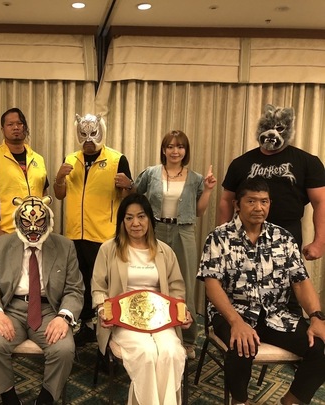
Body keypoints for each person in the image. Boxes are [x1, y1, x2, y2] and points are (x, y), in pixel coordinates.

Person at [198, 178, 325, 405]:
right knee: (241, 346)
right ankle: (240, 401)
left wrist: (316, 317)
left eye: (264, 201)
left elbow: (301, 282)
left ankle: (292, 400)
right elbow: (212, 285)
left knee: (320, 347)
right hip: (232, 312)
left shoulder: (283, 238)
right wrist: (236, 322)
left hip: (275, 315)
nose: (259, 207)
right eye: (251, 201)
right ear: (237, 205)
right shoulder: (218, 237)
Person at [0, 195, 84, 405]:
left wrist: (64, 317)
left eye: (40, 221)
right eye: (27, 222)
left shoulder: (65, 246)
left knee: (64, 350)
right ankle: (9, 399)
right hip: (10, 308)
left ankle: (45, 399)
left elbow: (75, 289)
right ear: (18, 222)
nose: (34, 228)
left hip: (49, 310)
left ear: (49, 221)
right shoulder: (0, 245)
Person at [92, 193, 192, 405]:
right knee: (146, 354)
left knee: (171, 352)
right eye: (129, 218)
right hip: (123, 319)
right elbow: (99, 288)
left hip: (160, 318)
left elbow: (176, 288)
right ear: (122, 221)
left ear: (149, 219)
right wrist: (103, 310)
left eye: (141, 216)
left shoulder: (165, 251)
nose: (135, 223)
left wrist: (182, 312)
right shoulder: (108, 249)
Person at [134, 130, 216, 358]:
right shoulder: (151, 173)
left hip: (184, 232)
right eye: (170, 146)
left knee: (185, 283)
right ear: (163, 150)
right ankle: (152, 329)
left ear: (185, 151)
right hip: (155, 230)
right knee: (152, 279)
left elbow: (199, 211)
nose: (175, 151)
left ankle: (188, 339)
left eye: (180, 147)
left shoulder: (196, 178)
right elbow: (134, 195)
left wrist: (208, 190)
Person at [54, 113, 133, 346]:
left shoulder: (117, 159)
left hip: (103, 235)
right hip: (75, 233)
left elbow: (128, 198)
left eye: (93, 134)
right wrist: (59, 178)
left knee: (104, 284)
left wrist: (129, 185)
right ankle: (87, 325)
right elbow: (60, 195)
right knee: (80, 282)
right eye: (83, 134)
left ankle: (109, 327)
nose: (88, 140)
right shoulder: (70, 159)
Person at [217, 104, 325, 261]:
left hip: (287, 234)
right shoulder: (240, 163)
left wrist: (320, 242)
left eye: (279, 129)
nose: (272, 133)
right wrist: (222, 236)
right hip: (245, 234)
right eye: (267, 127)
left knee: (287, 277)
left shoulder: (308, 162)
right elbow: (227, 200)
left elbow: (321, 201)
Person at [0, 108, 48, 258]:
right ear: (3, 129)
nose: (16, 127)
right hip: (5, 233)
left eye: (19, 123)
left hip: (35, 235)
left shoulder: (38, 159)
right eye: (10, 124)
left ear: (25, 127)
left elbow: (43, 193)